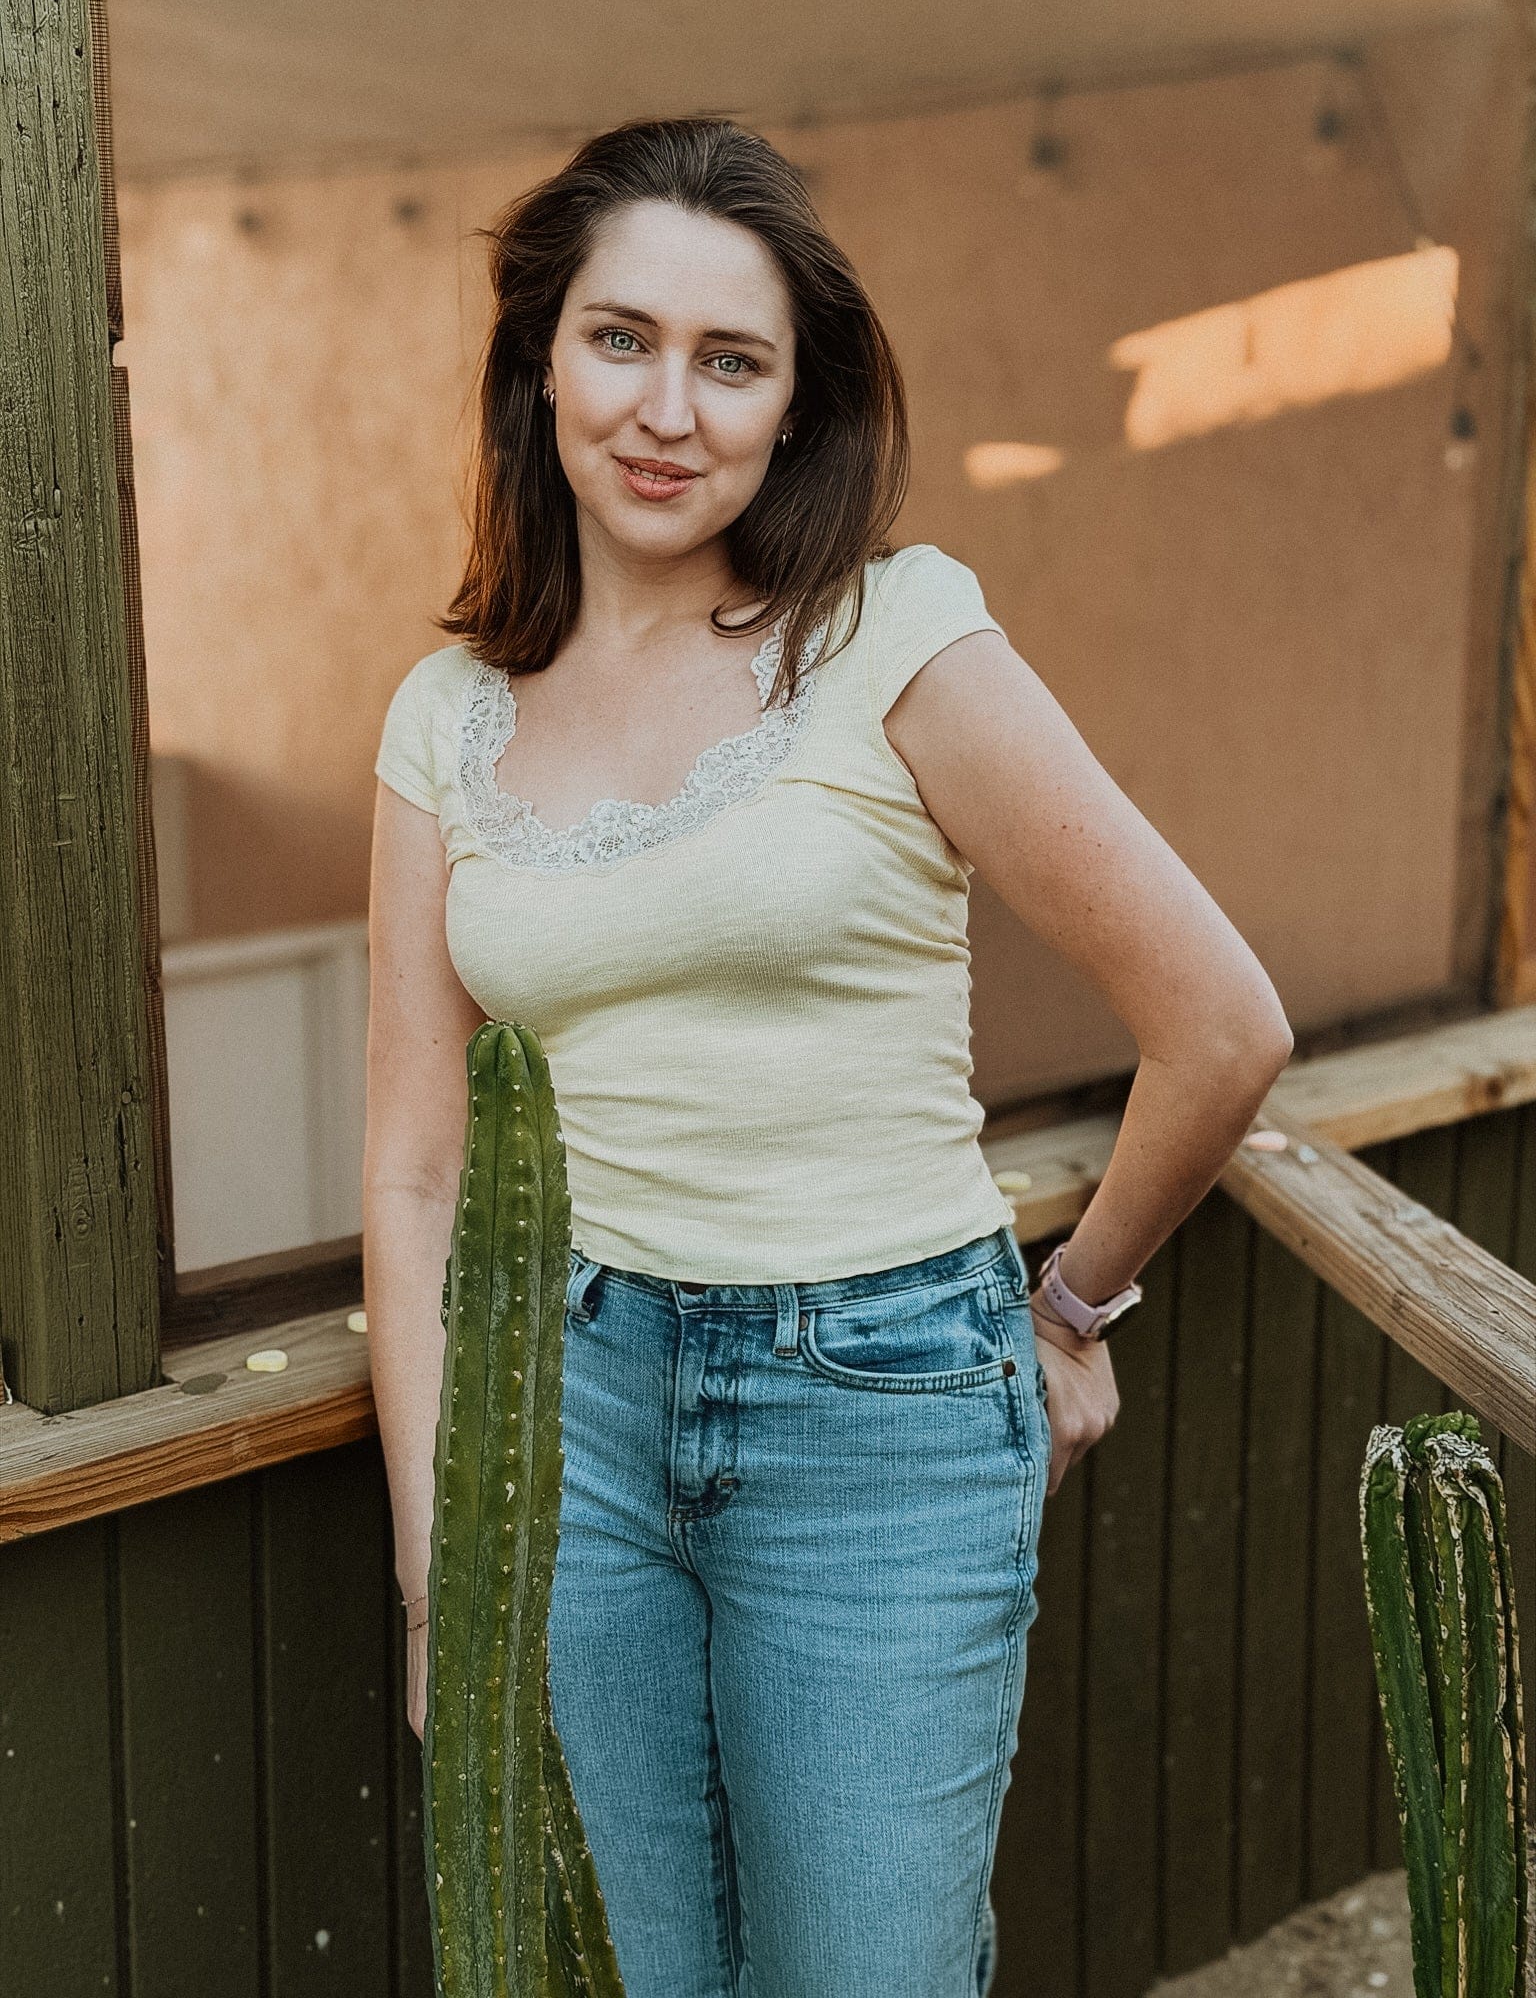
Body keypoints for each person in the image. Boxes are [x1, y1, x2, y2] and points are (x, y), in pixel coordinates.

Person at [364, 114, 1292, 1998]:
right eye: (620, 337)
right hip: (564, 1419)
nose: (666, 407)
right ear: (537, 356)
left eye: (733, 361)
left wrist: (1072, 1311)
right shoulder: (445, 717)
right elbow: (413, 1163)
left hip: (875, 1414)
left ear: (798, 409)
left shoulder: (895, 638)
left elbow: (1222, 1024)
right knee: (616, 1976)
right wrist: (435, 1560)